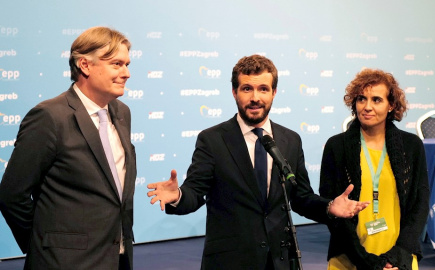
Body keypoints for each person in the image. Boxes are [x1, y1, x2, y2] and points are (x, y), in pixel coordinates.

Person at [147, 55, 369, 270]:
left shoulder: (290, 140)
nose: (255, 97)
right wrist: (177, 197)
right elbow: (195, 192)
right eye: (247, 89)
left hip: (280, 260)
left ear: (274, 93)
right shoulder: (213, 140)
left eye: (263, 89)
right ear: (234, 92)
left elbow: (301, 197)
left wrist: (329, 207)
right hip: (230, 262)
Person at [0, 26, 136, 270]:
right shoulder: (50, 117)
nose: (126, 73)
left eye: (127, 64)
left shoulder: (122, 113)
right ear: (85, 65)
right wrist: (44, 244)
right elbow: (12, 194)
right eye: (116, 64)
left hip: (117, 259)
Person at [319, 68, 430, 270]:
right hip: (349, 259)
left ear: (391, 105)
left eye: (376, 100)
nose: (367, 107)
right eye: (361, 99)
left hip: (399, 259)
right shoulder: (337, 146)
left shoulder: (411, 146)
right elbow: (332, 211)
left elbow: (420, 205)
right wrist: (366, 261)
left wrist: (398, 255)